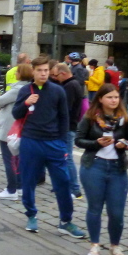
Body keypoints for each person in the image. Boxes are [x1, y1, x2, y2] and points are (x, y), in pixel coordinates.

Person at [12, 55, 86, 238]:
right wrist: (26, 103)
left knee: (63, 182)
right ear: (33, 71)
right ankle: (31, 215)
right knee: (28, 181)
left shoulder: (58, 90)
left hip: (54, 143)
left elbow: (64, 118)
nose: (43, 74)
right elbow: (16, 114)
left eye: (46, 70)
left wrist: (61, 143)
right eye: (40, 71)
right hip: (31, 141)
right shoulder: (25, 90)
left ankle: (66, 221)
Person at [75, 83, 128, 255]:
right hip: (94, 166)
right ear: (101, 99)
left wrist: (124, 144)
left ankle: (114, 246)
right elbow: (78, 140)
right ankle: (94, 244)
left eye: (116, 97)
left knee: (116, 212)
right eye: (109, 97)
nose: (113, 100)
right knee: (95, 208)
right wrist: (97, 143)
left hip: (117, 168)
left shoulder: (125, 119)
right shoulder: (90, 117)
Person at [0, 64, 33, 200]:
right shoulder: (31, 88)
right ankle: (20, 186)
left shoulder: (17, 89)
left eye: (17, 71)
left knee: (9, 159)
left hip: (9, 127)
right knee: (18, 158)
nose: (15, 73)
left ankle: (11, 190)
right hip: (21, 127)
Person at [52, 63, 84, 199]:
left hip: (67, 127)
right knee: (62, 156)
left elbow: (66, 109)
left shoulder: (70, 86)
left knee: (67, 157)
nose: (55, 78)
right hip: (68, 126)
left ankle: (75, 189)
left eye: (56, 75)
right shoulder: (73, 84)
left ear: (63, 73)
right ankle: (62, 185)